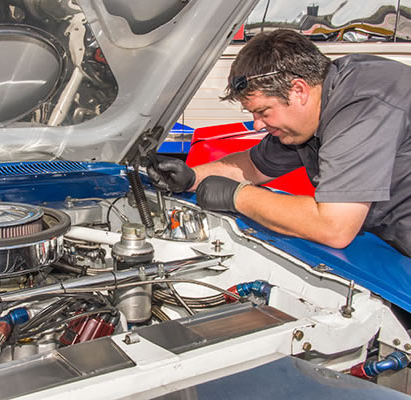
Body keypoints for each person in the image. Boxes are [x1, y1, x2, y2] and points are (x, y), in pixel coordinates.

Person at [147, 29, 411, 257]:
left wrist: (237, 195)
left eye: (263, 111)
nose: (258, 125)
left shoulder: (362, 107)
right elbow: (254, 165)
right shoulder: (315, 108)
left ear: (299, 90)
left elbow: (333, 226)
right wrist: (192, 177)